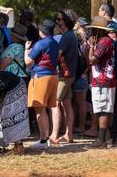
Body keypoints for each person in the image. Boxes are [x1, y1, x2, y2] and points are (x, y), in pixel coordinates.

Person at [24, 19, 60, 149]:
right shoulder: (55, 43)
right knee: (47, 108)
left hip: (41, 76)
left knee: (39, 107)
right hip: (54, 75)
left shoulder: (40, 44)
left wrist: (26, 50)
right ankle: (46, 138)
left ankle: (43, 140)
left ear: (42, 31)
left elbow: (28, 61)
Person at [0, 70, 30, 155]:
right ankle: (4, 144)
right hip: (5, 89)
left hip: (16, 85)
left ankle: (19, 147)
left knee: (12, 115)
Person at [86, 16, 116, 149]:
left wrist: (91, 46)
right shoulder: (107, 41)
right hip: (105, 80)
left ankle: (101, 139)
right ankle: (108, 138)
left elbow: (92, 60)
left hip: (102, 81)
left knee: (102, 109)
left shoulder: (103, 42)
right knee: (105, 109)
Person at [49, 11, 78, 144]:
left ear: (65, 21)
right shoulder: (71, 35)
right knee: (67, 103)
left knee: (55, 103)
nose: (57, 21)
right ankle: (69, 134)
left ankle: (54, 135)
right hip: (69, 74)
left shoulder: (66, 37)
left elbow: (57, 54)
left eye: (59, 19)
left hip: (64, 76)